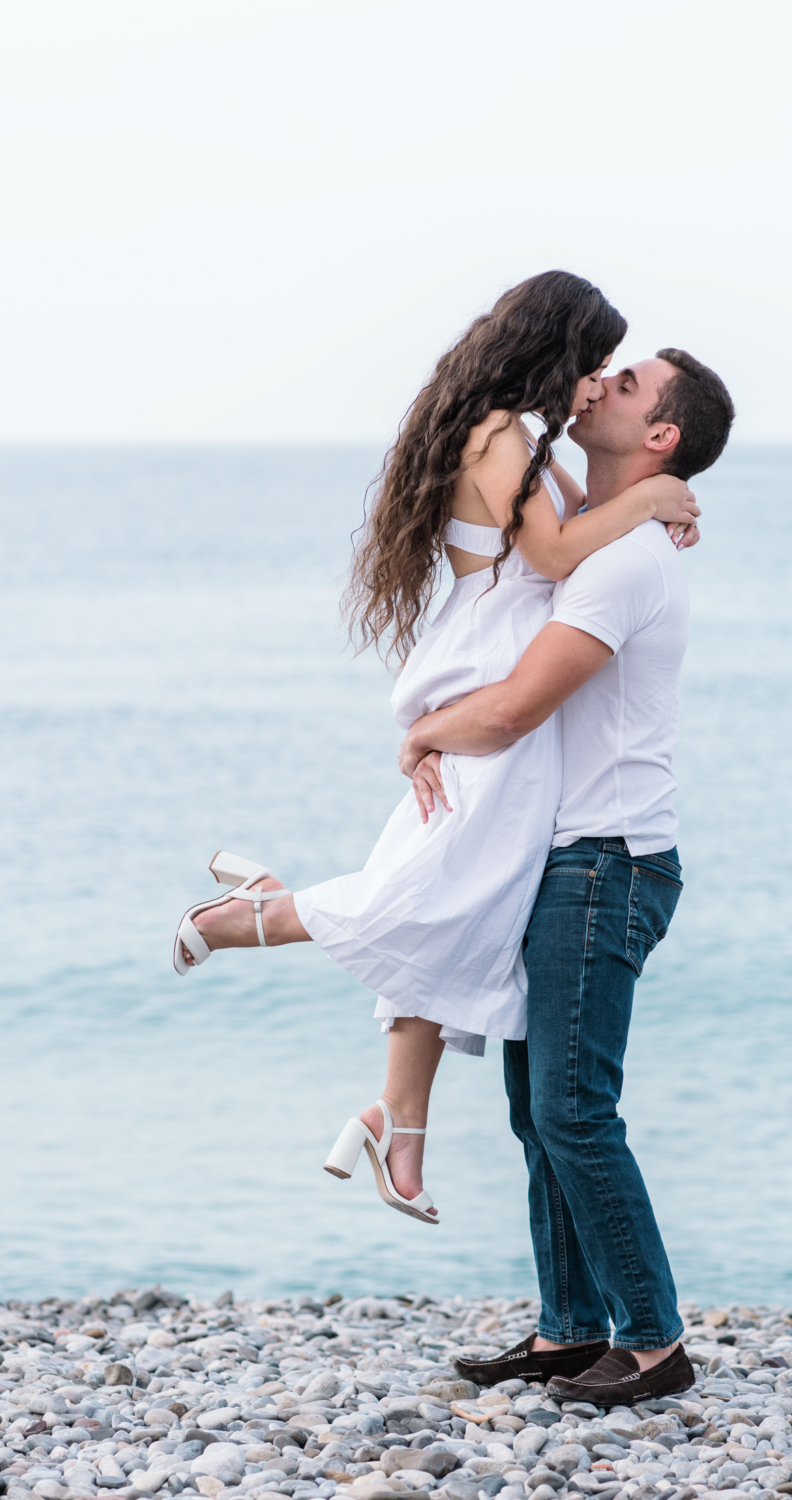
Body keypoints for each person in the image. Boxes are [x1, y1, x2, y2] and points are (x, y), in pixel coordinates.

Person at [171, 271, 700, 1226]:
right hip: (488, 667)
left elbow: (574, 532)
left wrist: (649, 506)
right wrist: (658, 494)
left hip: (499, 658)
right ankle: (250, 916)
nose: (593, 386)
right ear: (557, 354)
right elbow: (550, 558)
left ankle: (398, 1122)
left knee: (467, 894)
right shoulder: (502, 432)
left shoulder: (525, 439)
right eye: (592, 367)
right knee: (440, 885)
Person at [397, 348, 735, 1401]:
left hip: (607, 863)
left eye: (628, 383)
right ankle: (567, 1330)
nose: (601, 385)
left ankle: (653, 1338)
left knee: (574, 1109)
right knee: (535, 1109)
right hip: (562, 860)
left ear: (661, 436)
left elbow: (514, 708)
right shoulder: (601, 537)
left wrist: (421, 733)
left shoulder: (626, 562)